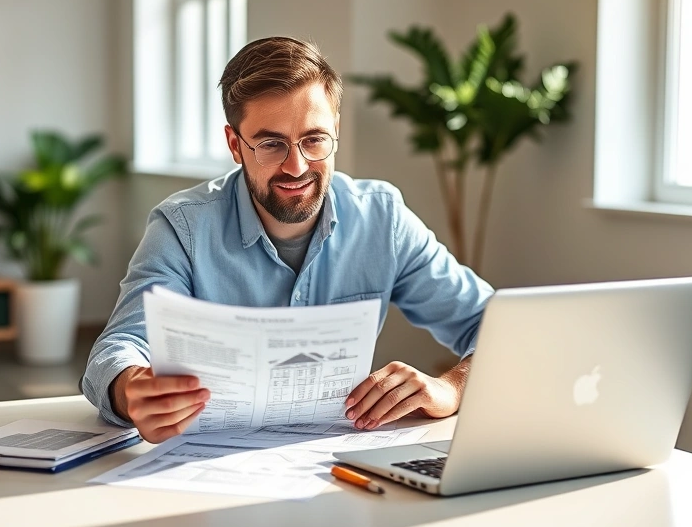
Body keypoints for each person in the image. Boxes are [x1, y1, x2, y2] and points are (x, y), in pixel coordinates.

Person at [81, 36, 493, 444]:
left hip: (335, 469)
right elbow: (119, 347)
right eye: (271, 144)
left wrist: (453, 386)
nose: (296, 167)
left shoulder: (382, 218)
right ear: (235, 145)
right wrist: (132, 390)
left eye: (314, 139)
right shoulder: (183, 227)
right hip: (211, 474)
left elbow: (494, 322)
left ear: (336, 131)